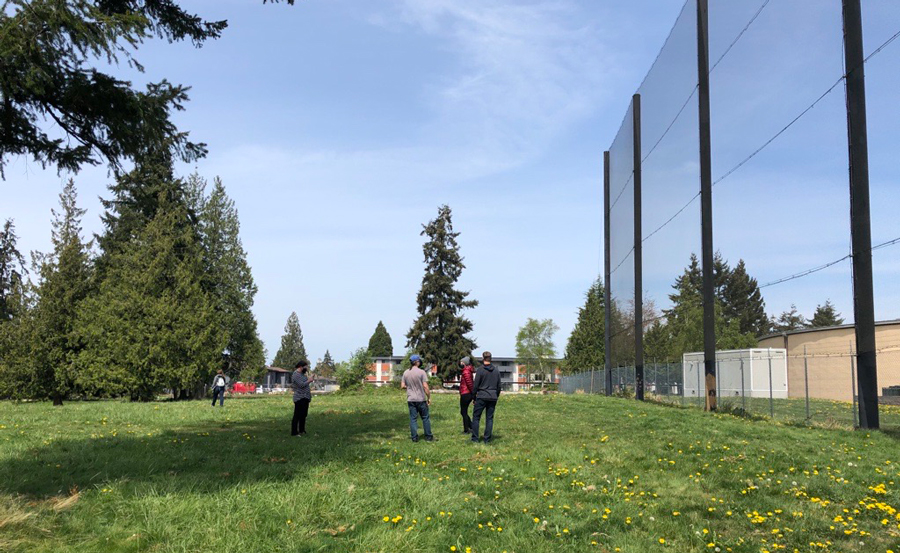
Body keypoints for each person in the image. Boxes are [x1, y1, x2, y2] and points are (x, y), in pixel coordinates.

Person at [401, 354, 433, 442]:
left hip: (411, 399)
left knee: (413, 419)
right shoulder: (421, 372)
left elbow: (402, 386)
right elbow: (425, 386)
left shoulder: (406, 372)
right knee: (425, 418)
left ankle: (414, 438)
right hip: (421, 399)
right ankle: (428, 437)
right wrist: (429, 397)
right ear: (417, 362)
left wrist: (409, 387)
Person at [471, 351, 501, 443]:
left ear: (483, 358)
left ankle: (475, 438)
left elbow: (476, 385)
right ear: (491, 358)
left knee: (476, 417)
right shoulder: (496, 370)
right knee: (489, 418)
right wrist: (496, 395)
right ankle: (487, 439)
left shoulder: (480, 370)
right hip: (493, 396)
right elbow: (499, 386)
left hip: (482, 396)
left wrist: (474, 397)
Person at [291, 360, 312, 436]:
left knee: (303, 415)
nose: (306, 368)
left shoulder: (302, 375)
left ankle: (302, 430)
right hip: (299, 398)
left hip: (305, 397)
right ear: (300, 367)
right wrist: (309, 381)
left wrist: (309, 379)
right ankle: (294, 432)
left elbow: (305, 383)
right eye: (305, 367)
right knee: (297, 415)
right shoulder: (296, 375)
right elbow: (301, 385)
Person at [458, 356, 474, 434]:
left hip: (466, 393)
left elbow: (469, 383)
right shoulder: (467, 370)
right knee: (463, 412)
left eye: (461, 362)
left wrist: (473, 393)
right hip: (466, 393)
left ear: (464, 363)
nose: (460, 363)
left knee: (463, 412)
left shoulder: (466, 372)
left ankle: (466, 429)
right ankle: (471, 426)